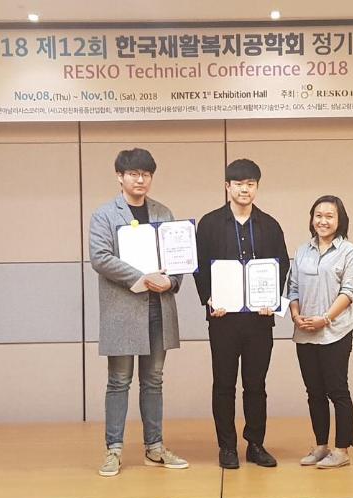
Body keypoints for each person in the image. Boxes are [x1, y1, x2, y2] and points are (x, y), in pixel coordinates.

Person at [88, 148, 189, 477]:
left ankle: (155, 448)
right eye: (133, 174)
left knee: (154, 381)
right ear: (120, 177)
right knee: (119, 381)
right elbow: (100, 257)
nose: (140, 180)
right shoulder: (104, 215)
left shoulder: (163, 212)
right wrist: (142, 277)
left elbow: (179, 257)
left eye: (146, 174)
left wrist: (172, 281)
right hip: (122, 309)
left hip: (158, 307)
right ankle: (113, 450)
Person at [194, 159, 290, 469]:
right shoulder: (209, 224)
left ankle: (255, 444)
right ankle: (227, 447)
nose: (244, 189)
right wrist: (209, 299)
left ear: (257, 187)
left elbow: (282, 265)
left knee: (256, 384)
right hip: (223, 319)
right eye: (238, 184)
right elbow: (199, 266)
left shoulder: (270, 225)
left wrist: (273, 300)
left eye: (250, 184)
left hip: (259, 320)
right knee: (223, 384)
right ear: (227, 187)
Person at [287, 195, 353, 469]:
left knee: (337, 391)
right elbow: (293, 288)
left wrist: (325, 319)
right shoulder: (302, 251)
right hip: (305, 332)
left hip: (336, 332)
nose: (323, 221)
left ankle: (342, 450)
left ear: (340, 220)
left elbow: (349, 292)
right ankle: (321, 446)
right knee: (314, 392)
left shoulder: (350, 252)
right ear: (312, 219)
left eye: (329, 216)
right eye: (318, 215)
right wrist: (296, 315)